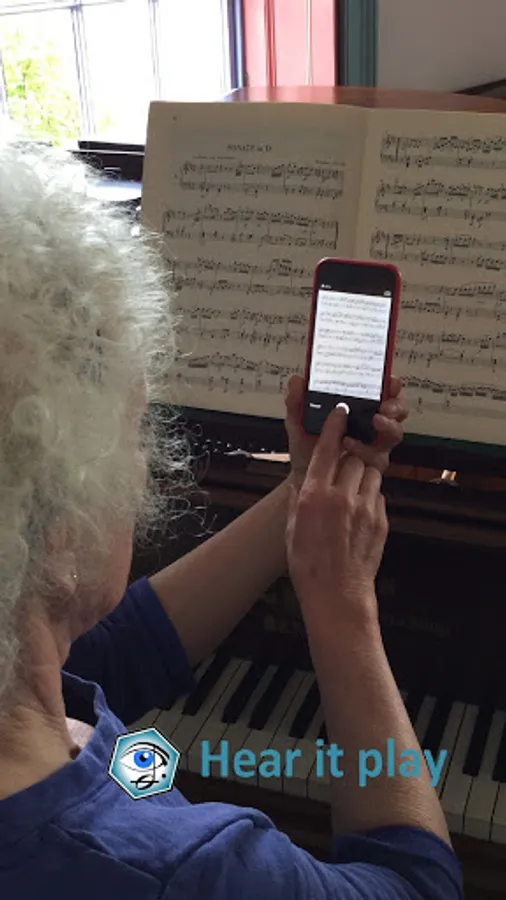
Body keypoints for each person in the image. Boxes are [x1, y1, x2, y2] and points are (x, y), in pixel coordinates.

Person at [0, 143, 461, 900]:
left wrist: (301, 491)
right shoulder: (186, 874)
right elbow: (418, 886)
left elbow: (114, 656)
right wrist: (341, 602)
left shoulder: (21, 665)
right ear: (54, 532)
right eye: (135, 435)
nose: (142, 471)